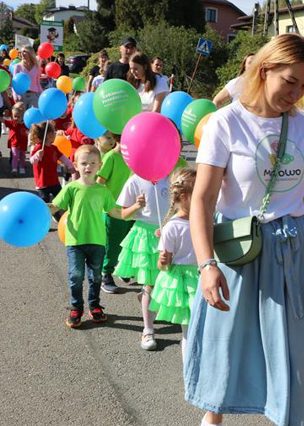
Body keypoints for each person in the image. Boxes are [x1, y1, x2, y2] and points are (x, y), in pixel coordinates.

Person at [185, 34, 304, 426]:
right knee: (230, 342)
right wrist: (206, 264)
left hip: (295, 252)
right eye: (291, 82)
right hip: (240, 249)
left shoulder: (300, 125)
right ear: (264, 70)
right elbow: (202, 200)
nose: (297, 94)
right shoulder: (225, 124)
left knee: (299, 357)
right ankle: (213, 421)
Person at [50, 145, 146, 329]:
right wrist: (39, 208)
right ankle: (76, 308)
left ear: (99, 165)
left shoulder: (102, 190)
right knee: (75, 276)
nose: (88, 167)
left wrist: (135, 207)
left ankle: (94, 306)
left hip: (97, 241)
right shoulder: (71, 188)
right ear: (76, 165)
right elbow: (55, 206)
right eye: (84, 163)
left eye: (93, 163)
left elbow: (116, 213)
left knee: (95, 277)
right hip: (75, 241)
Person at [114, 171, 172, 350]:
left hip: (169, 231)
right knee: (150, 284)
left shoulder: (171, 177)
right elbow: (124, 214)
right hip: (146, 236)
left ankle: (148, 300)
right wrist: (137, 205)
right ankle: (148, 329)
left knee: (167, 278)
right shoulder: (134, 181)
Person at [150, 168, 199, 330]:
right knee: (188, 329)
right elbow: (164, 266)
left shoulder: (206, 219)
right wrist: (162, 262)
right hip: (184, 283)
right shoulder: (172, 227)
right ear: (184, 197)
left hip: (202, 275)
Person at [96, 133, 133, 295]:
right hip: (113, 210)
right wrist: (106, 203)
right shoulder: (111, 157)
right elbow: (99, 183)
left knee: (128, 241)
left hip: (131, 208)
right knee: (112, 244)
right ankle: (106, 274)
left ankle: (122, 268)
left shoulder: (133, 156)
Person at [29, 121, 74, 205]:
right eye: (54, 132)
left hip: (54, 181)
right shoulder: (38, 147)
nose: (56, 134)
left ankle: (57, 215)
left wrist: (70, 166)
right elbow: (32, 161)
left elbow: (63, 157)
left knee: (59, 199)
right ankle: (45, 215)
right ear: (49, 134)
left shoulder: (54, 147)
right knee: (44, 202)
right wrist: (37, 155)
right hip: (42, 183)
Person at [0, 102, 29, 176]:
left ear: (22, 117)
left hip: (23, 144)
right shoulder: (12, 123)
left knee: (23, 156)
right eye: (14, 116)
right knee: (15, 155)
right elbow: (2, 120)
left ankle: (22, 168)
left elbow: (33, 128)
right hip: (14, 144)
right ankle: (14, 169)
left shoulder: (26, 124)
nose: (16, 118)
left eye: (18, 117)